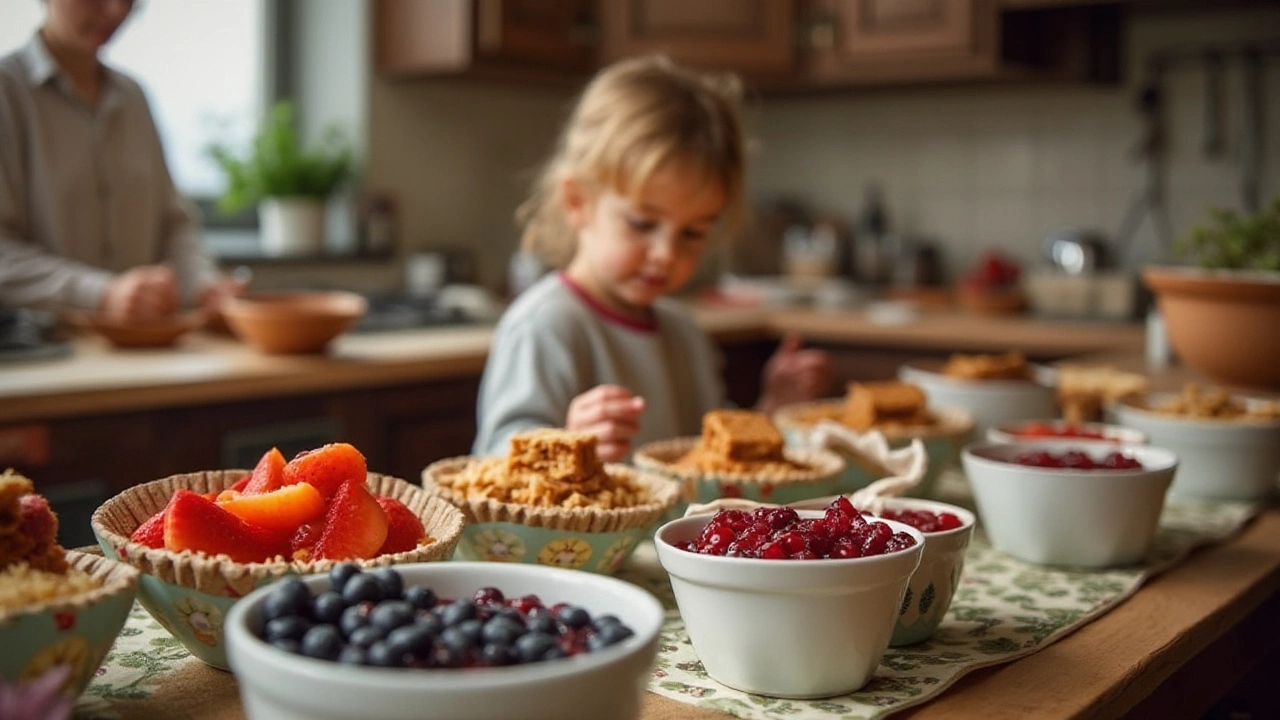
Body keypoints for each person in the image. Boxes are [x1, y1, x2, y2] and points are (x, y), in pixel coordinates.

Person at [473, 55, 833, 462]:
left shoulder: (683, 333)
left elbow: (708, 461)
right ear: (577, 202)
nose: (666, 254)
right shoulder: (545, 326)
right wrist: (565, 445)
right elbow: (490, 463)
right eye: (643, 224)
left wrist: (772, 408)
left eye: (693, 233)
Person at [0, 0, 241, 322]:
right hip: (43, 348)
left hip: (144, 344)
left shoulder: (133, 98)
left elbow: (173, 224)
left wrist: (201, 285)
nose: (115, 11)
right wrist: (102, 293)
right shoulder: (8, 94)